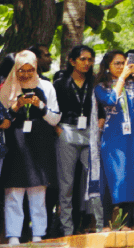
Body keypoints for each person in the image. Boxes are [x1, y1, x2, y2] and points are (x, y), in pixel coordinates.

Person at [2, 51, 59, 244]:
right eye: (21, 70)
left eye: (30, 70)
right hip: (15, 144)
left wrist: (40, 105)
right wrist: (16, 106)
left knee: (38, 192)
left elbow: (55, 118)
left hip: (40, 143)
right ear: (15, 70)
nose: (26, 75)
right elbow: (2, 118)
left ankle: (38, 235)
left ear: (36, 68)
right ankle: (13, 236)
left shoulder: (46, 87)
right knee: (14, 193)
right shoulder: (8, 87)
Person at [96, 51, 134, 230]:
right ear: (107, 66)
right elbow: (111, 100)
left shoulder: (131, 84)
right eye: (117, 63)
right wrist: (122, 78)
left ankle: (127, 223)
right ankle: (107, 222)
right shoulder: (101, 86)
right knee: (114, 178)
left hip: (133, 136)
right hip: (113, 138)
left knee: (132, 176)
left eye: (124, 63)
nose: (122, 66)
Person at [52, 44, 95, 237]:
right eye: (83, 59)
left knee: (93, 180)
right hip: (67, 131)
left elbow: (100, 108)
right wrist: (58, 129)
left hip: (89, 131)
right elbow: (52, 110)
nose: (87, 63)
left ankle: (94, 224)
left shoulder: (94, 82)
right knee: (66, 183)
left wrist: (99, 122)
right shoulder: (60, 83)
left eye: (90, 59)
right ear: (72, 61)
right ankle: (67, 229)